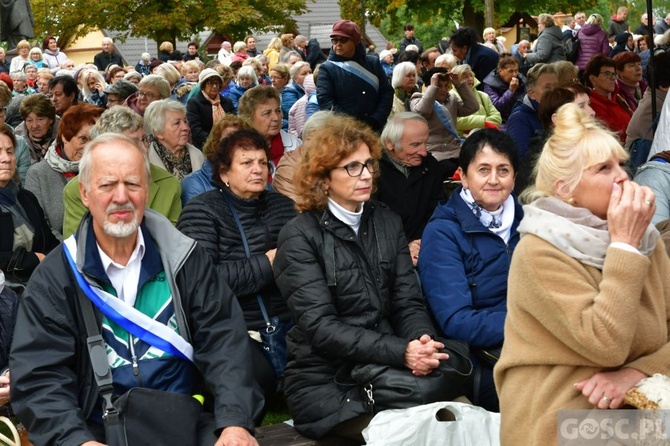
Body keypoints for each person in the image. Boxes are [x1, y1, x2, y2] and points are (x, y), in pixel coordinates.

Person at [10, 133, 263, 445]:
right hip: (97, 430)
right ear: (85, 194)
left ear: (146, 190)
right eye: (107, 185)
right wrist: (76, 440)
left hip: (187, 421)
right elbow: (40, 377)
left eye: (132, 183)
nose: (121, 197)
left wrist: (234, 423)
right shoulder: (56, 276)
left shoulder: (183, 257)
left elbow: (225, 341)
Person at [495, 102, 670, 445]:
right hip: (557, 418)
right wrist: (624, 249)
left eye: (622, 164)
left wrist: (636, 373)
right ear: (565, 189)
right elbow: (605, 345)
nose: (622, 176)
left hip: (638, 396)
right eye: (603, 168)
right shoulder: (539, 250)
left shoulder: (645, 240)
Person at [273, 113, 453, 440]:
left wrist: (421, 342)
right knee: (422, 425)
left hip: (388, 365)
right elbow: (322, 329)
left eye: (369, 164)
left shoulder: (385, 221)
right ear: (323, 178)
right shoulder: (299, 237)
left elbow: (407, 301)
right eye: (352, 167)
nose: (366, 174)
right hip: (326, 380)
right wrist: (402, 352)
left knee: (449, 406)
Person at [178, 128, 296, 406]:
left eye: (262, 162)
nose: (258, 170)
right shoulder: (201, 212)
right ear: (224, 173)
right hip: (234, 327)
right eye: (246, 163)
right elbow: (201, 283)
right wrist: (267, 263)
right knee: (258, 382)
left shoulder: (283, 207)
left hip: (289, 321)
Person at [419, 128, 522, 412]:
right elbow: (456, 320)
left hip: (536, 342)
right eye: (483, 170)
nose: (493, 179)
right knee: (564, 405)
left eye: (503, 170)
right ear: (463, 176)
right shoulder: (444, 232)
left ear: (514, 177)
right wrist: (529, 322)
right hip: (483, 357)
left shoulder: (527, 220)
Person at [62, 106, 182, 237]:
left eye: (144, 139)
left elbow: (173, 242)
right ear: (108, 147)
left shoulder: (169, 184)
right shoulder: (79, 188)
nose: (144, 148)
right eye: (133, 142)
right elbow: (79, 246)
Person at [24, 104, 102, 238]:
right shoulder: (38, 174)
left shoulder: (106, 170)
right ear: (65, 137)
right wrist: (71, 252)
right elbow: (41, 226)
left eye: (96, 140)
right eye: (83, 139)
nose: (90, 147)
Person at [0, 125, 58, 291]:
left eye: (10, 152)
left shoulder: (25, 198)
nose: (6, 158)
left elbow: (49, 240)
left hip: (39, 283)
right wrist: (32, 259)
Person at [376, 112, 443, 251]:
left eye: (426, 143)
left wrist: (421, 242)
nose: (424, 152)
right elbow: (372, 223)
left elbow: (437, 210)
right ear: (390, 143)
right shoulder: (372, 171)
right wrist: (404, 247)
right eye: (415, 145)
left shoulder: (430, 165)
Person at [317, 20, 393, 132]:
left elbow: (386, 92)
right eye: (334, 40)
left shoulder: (373, 62)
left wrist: (376, 119)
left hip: (376, 129)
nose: (338, 44)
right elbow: (326, 101)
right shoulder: (327, 68)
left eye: (343, 40)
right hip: (344, 131)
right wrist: (353, 124)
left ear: (355, 41)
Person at [410, 67, 478, 179]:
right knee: (450, 169)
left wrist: (459, 85)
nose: (443, 90)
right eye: (439, 86)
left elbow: (472, 107)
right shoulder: (417, 98)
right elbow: (421, 112)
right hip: (434, 152)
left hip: (455, 150)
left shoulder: (451, 99)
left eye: (446, 86)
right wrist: (433, 88)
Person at [181, 116, 251, 206]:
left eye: (241, 142)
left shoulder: (256, 177)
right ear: (215, 144)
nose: (234, 147)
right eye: (227, 141)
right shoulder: (194, 184)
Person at [238, 85, 300, 169]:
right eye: (267, 113)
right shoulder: (237, 148)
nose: (276, 118)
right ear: (249, 118)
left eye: (278, 111)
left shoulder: (296, 145)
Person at [506, 63, 558, 160]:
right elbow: (519, 162)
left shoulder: (556, 111)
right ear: (532, 93)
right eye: (547, 87)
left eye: (556, 86)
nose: (554, 91)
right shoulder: (519, 119)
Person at [145, 99, 204, 180]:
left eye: (185, 121)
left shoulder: (198, 156)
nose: (185, 128)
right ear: (158, 132)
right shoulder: (146, 161)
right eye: (177, 123)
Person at [584, 54, 633, 142]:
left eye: (614, 74)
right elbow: (612, 133)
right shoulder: (591, 104)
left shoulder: (618, 97)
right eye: (607, 74)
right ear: (593, 79)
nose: (613, 78)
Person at [186, 68, 235, 150]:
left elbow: (234, 122)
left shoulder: (227, 102)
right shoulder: (194, 103)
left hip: (229, 144)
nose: (215, 86)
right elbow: (195, 129)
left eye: (217, 83)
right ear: (203, 86)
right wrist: (216, 142)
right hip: (204, 146)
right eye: (210, 83)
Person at [452, 64, 502, 137]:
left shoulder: (483, 96)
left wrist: (480, 124)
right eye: (465, 76)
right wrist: (483, 122)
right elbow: (456, 121)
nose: (470, 79)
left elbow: (497, 118)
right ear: (456, 80)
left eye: (471, 75)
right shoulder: (451, 97)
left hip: (485, 138)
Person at [14, 93, 59, 164]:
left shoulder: (65, 135)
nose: (34, 126)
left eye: (40, 119)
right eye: (29, 120)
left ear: (51, 119)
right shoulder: (17, 138)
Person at [482, 55, 526, 125]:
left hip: (521, 115)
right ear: (500, 71)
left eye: (516, 71)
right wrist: (511, 91)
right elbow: (497, 108)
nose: (514, 74)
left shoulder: (521, 79)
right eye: (510, 71)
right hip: (503, 121)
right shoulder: (490, 84)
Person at [281, 62, 310, 130]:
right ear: (295, 79)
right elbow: (296, 115)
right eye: (304, 74)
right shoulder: (289, 92)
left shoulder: (310, 89)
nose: (309, 75)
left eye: (310, 72)